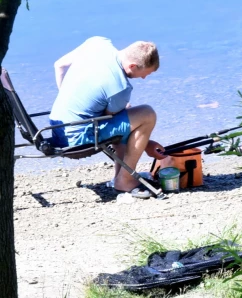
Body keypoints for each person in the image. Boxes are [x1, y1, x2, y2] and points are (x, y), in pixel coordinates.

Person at [49, 36, 167, 192]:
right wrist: (147, 144)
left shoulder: (98, 43)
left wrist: (73, 98)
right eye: (145, 74)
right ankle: (124, 181)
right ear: (132, 66)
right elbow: (114, 120)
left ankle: (122, 175)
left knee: (124, 114)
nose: (144, 78)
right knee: (147, 114)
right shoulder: (120, 87)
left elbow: (59, 65)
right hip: (77, 139)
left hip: (58, 125)